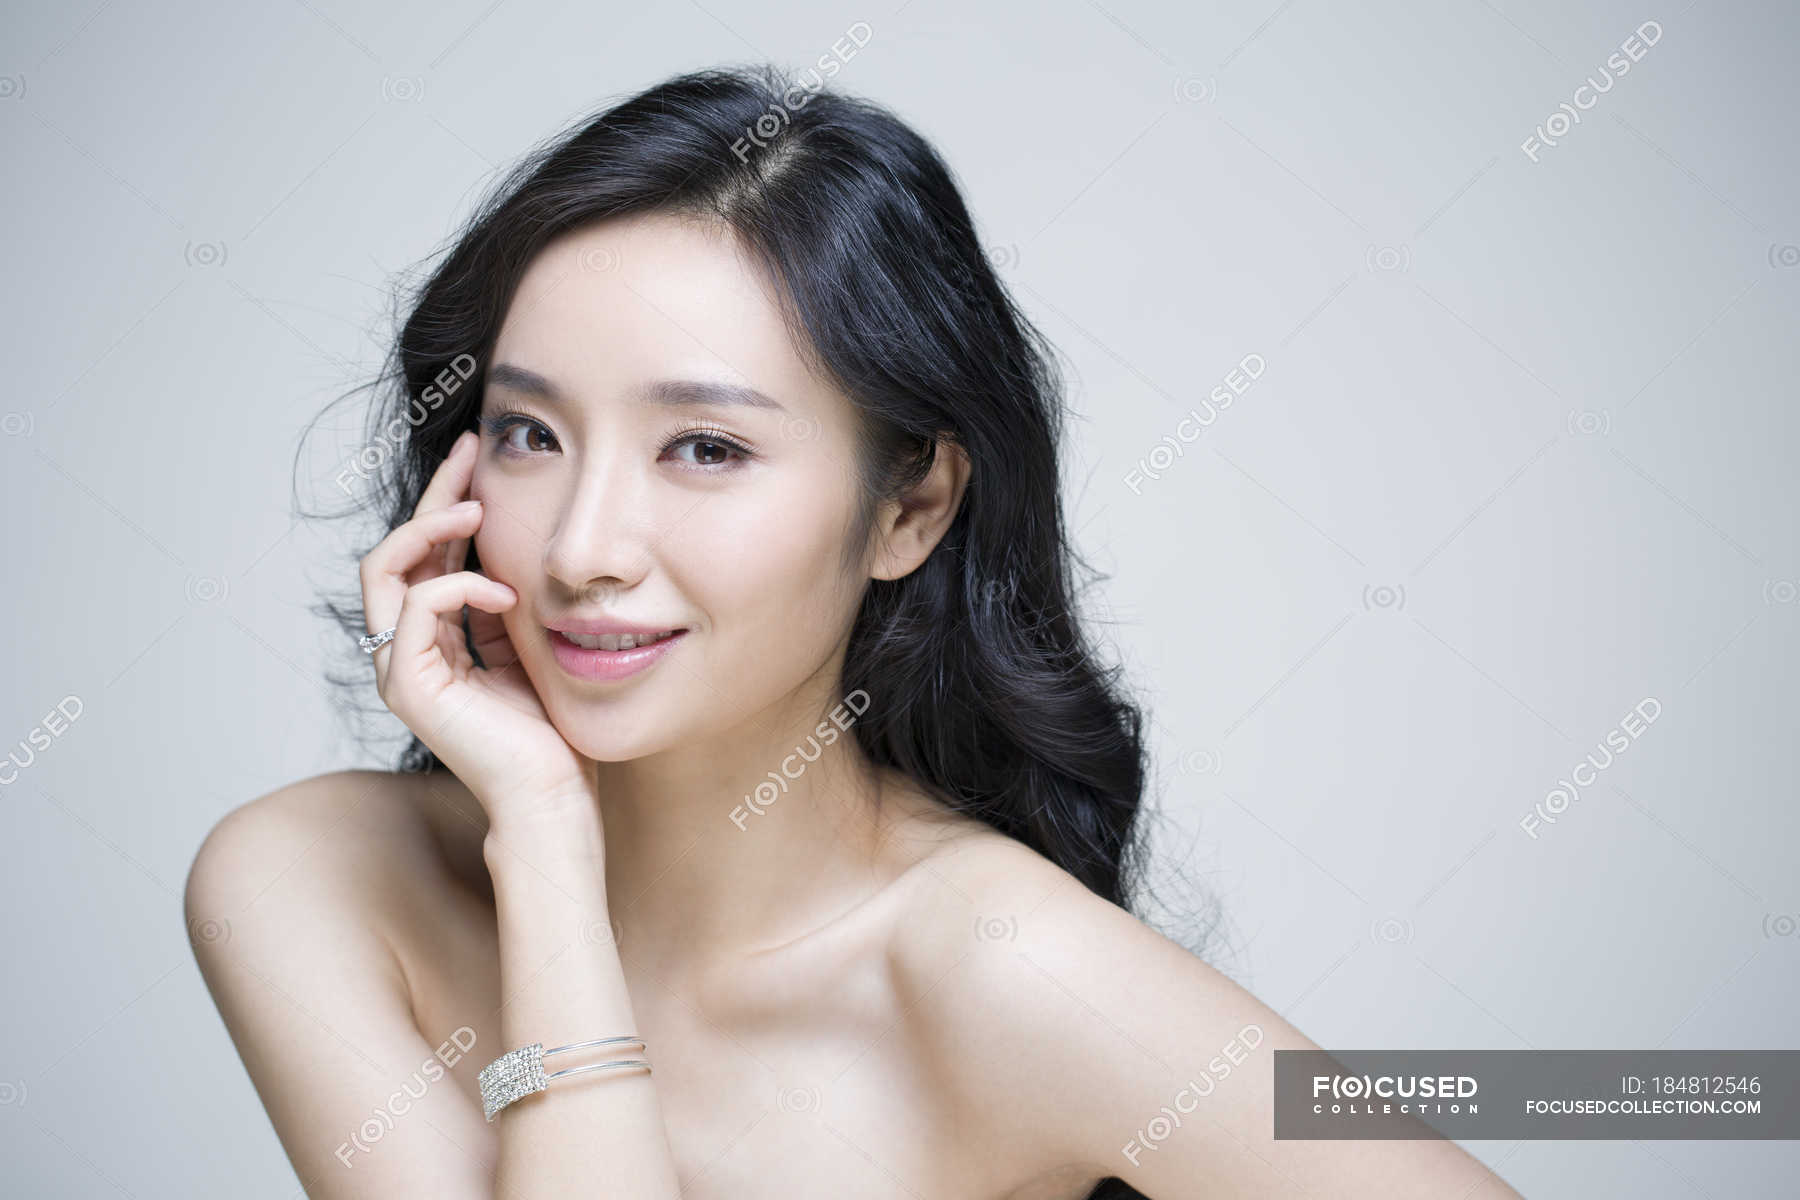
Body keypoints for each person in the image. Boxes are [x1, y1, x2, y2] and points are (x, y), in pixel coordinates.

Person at [184, 64, 1520, 1199]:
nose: (583, 549)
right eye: (530, 434)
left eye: (705, 448)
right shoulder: (315, 879)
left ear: (912, 507)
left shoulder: (1004, 967)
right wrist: (540, 835)